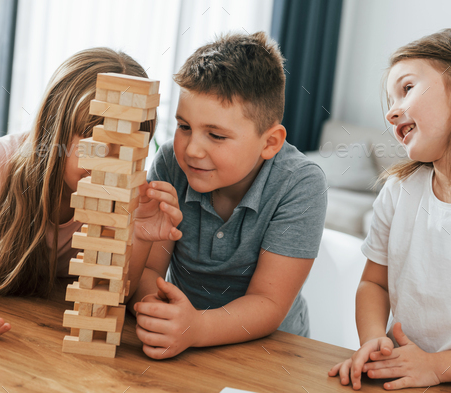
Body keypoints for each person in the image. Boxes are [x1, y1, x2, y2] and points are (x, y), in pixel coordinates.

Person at [0, 48, 161, 338]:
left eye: (127, 143)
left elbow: (115, 296)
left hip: (52, 328)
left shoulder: (129, 194)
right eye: (93, 137)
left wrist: (141, 233)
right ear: (54, 128)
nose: (107, 159)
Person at [128, 31, 328, 359]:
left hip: (268, 353)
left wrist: (196, 327)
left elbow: (268, 302)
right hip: (183, 339)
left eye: (216, 136)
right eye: (184, 126)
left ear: (270, 143)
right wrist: (155, 309)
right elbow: (150, 271)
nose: (192, 149)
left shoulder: (300, 183)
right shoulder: (170, 162)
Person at [329, 26, 451, 390]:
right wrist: (373, 339)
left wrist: (437, 367)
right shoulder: (399, 191)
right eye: (390, 102)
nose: (392, 114)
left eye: (407, 88)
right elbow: (374, 284)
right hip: (403, 379)